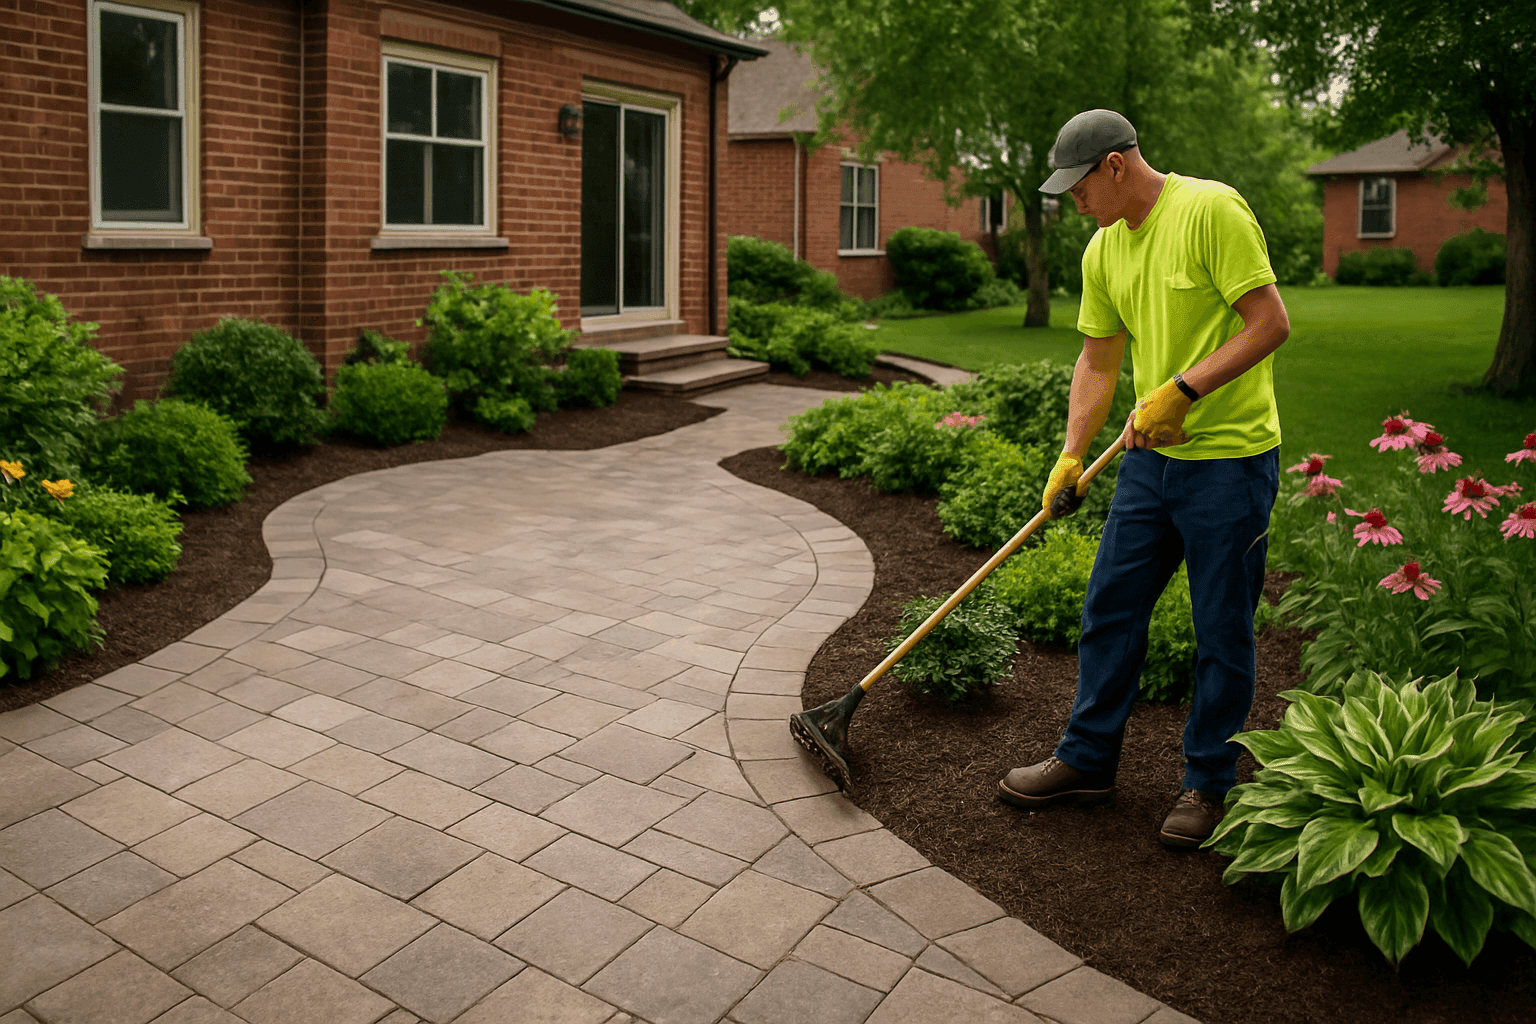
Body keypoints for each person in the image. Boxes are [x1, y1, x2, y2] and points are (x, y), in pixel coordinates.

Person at [997, 109, 1289, 849]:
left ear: (1117, 166)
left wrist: (1183, 390)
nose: (1074, 203)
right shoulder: (1104, 251)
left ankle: (1208, 783)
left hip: (1229, 460)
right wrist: (1071, 453)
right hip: (1149, 463)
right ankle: (1088, 760)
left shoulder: (1211, 211)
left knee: (1221, 630)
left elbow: (1269, 323)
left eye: (1080, 187)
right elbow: (1098, 359)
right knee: (1111, 607)